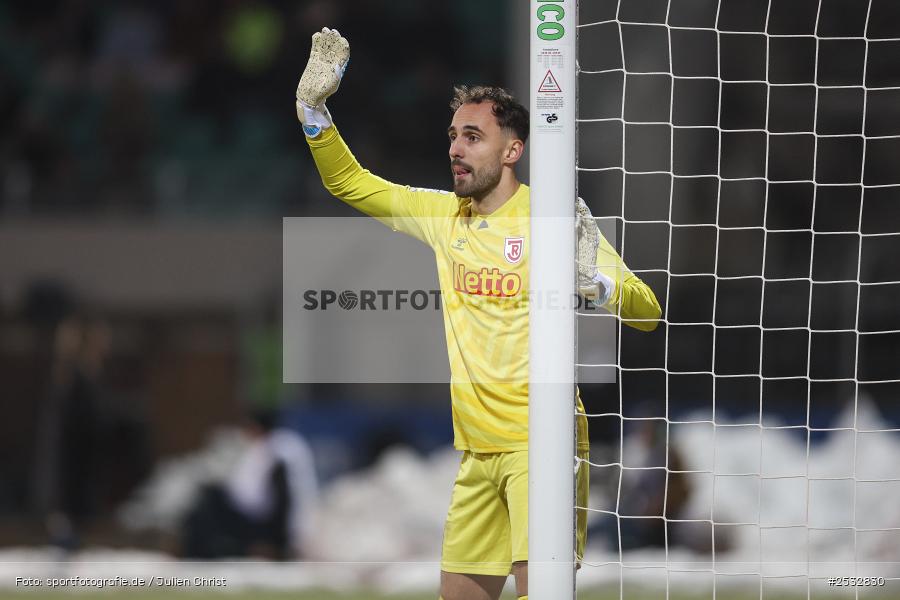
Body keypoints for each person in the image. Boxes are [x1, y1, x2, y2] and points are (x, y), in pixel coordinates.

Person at [296, 28, 661, 600]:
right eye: (452, 136)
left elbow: (648, 312)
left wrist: (595, 283)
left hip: (541, 444)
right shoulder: (446, 217)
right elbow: (351, 183)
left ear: (512, 150)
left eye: (472, 136)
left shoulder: (554, 219)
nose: (455, 149)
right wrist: (313, 113)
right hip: (475, 453)